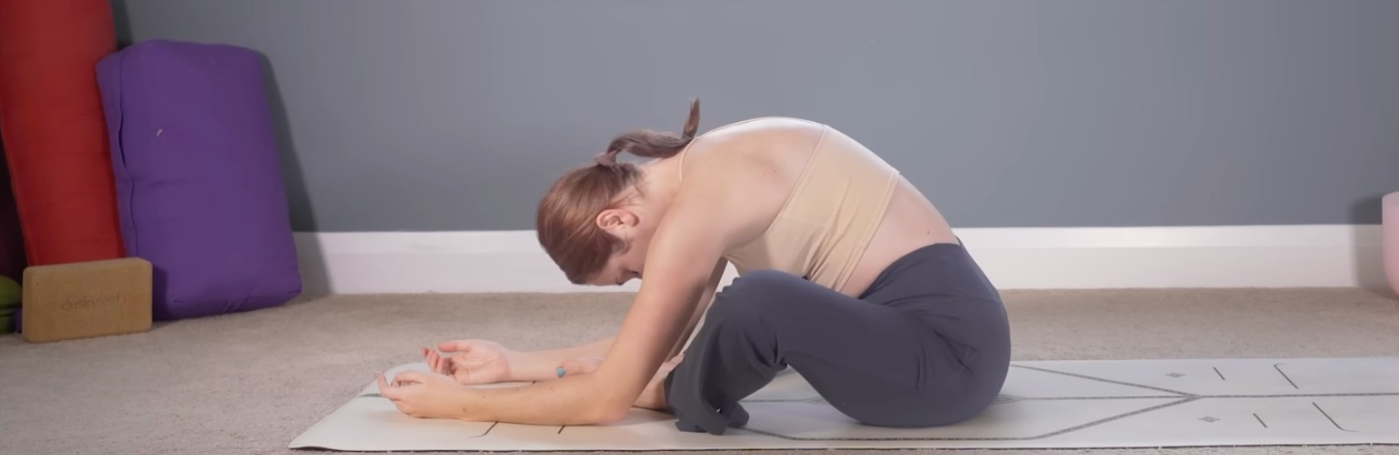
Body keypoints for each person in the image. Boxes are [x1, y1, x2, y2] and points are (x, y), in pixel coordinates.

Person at [376, 102, 1011, 433]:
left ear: (617, 222)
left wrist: (460, 405)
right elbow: (654, 339)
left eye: (629, 274)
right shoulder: (697, 173)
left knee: (757, 299)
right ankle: (668, 387)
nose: (642, 282)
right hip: (919, 348)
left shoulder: (697, 210)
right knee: (737, 316)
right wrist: (512, 364)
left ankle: (670, 392)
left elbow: (604, 400)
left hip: (945, 361)